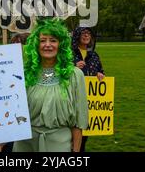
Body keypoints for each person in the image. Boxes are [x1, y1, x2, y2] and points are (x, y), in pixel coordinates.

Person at [13, 18, 89, 152]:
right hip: (25, 144)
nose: (47, 45)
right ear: (36, 44)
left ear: (61, 44)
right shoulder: (23, 74)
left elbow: (79, 119)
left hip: (59, 145)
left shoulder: (75, 75)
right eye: (43, 40)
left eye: (53, 40)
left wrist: (76, 151)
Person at [71, 26, 105, 152]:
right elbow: (60, 71)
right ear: (77, 36)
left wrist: (100, 75)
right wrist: (73, 66)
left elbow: (100, 71)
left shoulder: (94, 55)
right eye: (83, 33)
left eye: (88, 34)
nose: (86, 36)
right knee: (73, 132)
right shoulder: (69, 54)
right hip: (73, 99)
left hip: (90, 101)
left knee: (84, 135)